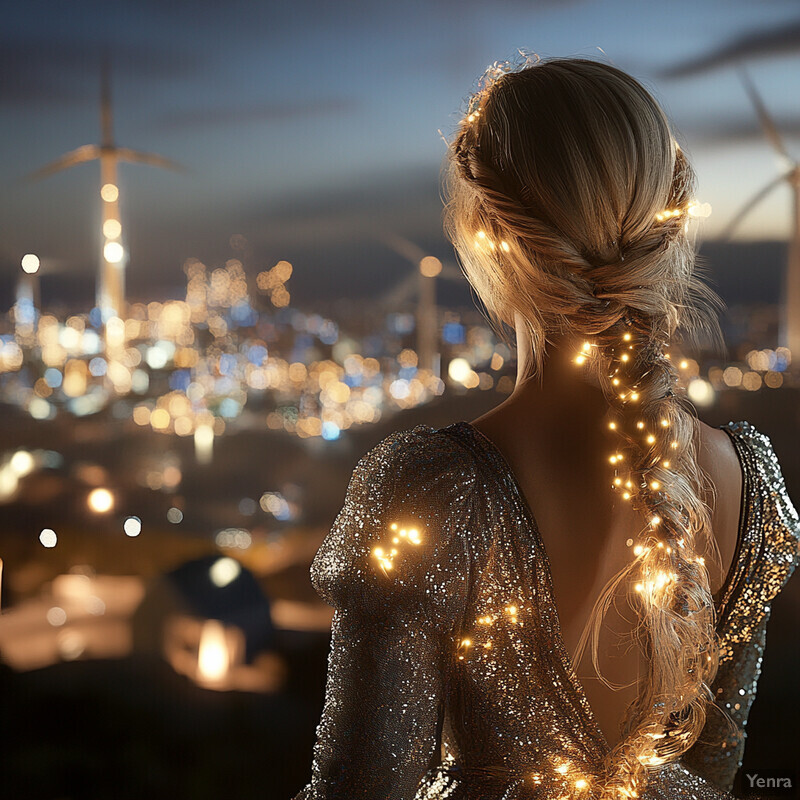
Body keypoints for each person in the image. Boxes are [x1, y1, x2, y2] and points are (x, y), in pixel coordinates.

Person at [293, 57, 800, 800]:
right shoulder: (751, 485)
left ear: (488, 231)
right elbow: (712, 770)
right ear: (672, 218)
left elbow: (360, 788)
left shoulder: (430, 492)